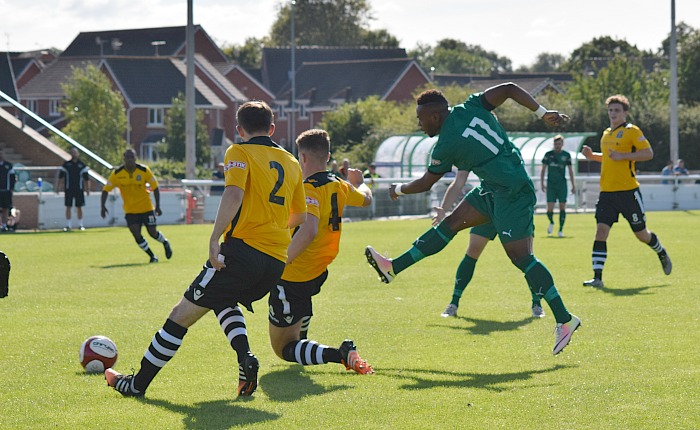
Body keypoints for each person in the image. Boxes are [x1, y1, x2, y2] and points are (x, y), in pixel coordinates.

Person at [105, 100, 307, 398]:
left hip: (241, 252)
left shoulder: (239, 150)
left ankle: (136, 385)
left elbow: (234, 193)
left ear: (239, 129)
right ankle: (245, 358)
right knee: (223, 298)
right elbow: (299, 216)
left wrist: (214, 238)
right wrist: (272, 232)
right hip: (276, 261)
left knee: (179, 316)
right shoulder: (291, 161)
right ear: (272, 128)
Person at [364, 83, 580, 355]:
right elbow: (510, 88)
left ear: (435, 116)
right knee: (451, 225)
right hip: (494, 187)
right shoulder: (471, 105)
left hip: (511, 192)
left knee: (522, 258)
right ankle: (393, 267)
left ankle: (564, 319)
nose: (419, 124)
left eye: (420, 118)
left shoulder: (445, 145)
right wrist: (541, 112)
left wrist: (396, 189)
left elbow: (425, 183)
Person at [268, 129, 374, 375]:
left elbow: (308, 231)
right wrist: (360, 183)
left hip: (294, 272)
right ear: (327, 156)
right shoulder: (339, 184)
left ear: (302, 159)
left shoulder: (308, 189)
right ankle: (308, 342)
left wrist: (279, 264)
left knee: (283, 349)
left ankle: (341, 354)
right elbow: (367, 199)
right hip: (318, 269)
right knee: (300, 318)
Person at [580, 94, 672, 288]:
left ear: (625, 113)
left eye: (617, 110)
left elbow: (648, 153)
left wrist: (624, 155)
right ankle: (597, 278)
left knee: (641, 235)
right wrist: (592, 156)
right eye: (610, 110)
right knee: (601, 232)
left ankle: (660, 251)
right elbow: (608, 158)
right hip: (607, 193)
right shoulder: (606, 133)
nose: (613, 114)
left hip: (628, 192)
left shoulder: (632, 131)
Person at [435, 170, 545, 319]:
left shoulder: (508, 152)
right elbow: (460, 178)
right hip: (487, 208)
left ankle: (537, 303)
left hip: (513, 210)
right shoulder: (477, 152)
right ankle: (453, 303)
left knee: (525, 257)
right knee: (472, 251)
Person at [100, 148, 173, 263]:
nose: (129, 160)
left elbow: (155, 187)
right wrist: (102, 206)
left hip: (146, 208)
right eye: (127, 158)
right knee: (136, 233)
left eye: (131, 157)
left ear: (135, 158)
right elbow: (105, 190)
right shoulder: (117, 174)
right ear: (124, 159)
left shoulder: (144, 170)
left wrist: (158, 206)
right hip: (130, 210)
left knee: (152, 232)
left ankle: (165, 242)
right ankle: (152, 256)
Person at [540, 134, 576, 237]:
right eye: (556, 143)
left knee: (562, 207)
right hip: (551, 184)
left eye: (559, 143)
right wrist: (542, 183)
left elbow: (570, 171)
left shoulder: (566, 155)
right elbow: (543, 169)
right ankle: (551, 222)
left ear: (562, 144)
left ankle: (560, 230)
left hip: (562, 184)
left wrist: (573, 185)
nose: (557, 145)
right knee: (549, 208)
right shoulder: (548, 155)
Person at [59, 147, 90, 231]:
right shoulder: (66, 164)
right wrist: (58, 188)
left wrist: (87, 190)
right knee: (68, 206)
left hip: (79, 189)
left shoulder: (82, 165)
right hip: (69, 189)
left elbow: (86, 179)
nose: (74, 154)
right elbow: (61, 177)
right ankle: (68, 225)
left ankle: (80, 225)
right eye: (72, 152)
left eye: (75, 152)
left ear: (78, 154)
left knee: (79, 206)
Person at [0, 149, 16, 232]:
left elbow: (13, 178)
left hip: (6, 191)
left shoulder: (8, 165)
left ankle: (4, 225)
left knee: (5, 208)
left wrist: (11, 189)